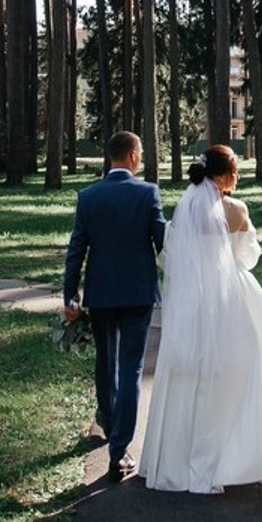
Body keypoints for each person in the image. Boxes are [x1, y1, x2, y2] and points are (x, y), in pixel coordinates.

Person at [140, 144, 262, 494]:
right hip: (230, 300)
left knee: (190, 375)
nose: (239, 176)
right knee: (240, 373)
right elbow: (248, 258)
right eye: (236, 169)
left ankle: (174, 460)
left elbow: (170, 257)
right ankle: (230, 453)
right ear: (224, 174)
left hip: (193, 302)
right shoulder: (236, 209)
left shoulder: (185, 208)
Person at [63, 130, 167, 481]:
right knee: (131, 369)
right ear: (133, 156)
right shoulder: (148, 193)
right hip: (138, 293)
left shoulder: (88, 196)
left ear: (111, 157)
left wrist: (69, 295)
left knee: (105, 364)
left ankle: (108, 420)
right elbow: (162, 240)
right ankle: (119, 450)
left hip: (101, 294)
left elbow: (77, 247)